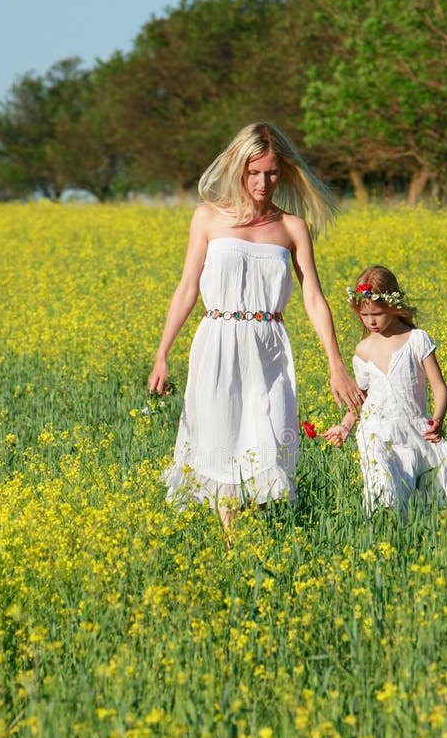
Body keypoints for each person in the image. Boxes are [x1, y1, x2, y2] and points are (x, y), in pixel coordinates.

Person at [148, 122, 364, 528]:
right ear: (237, 169)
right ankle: (234, 547)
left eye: (271, 173)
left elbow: (314, 298)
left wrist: (336, 364)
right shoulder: (207, 218)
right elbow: (186, 289)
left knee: (265, 444)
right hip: (217, 342)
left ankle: (257, 535)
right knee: (220, 443)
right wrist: (162, 355)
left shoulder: (292, 227)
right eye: (253, 172)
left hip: (269, 346)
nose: (263, 182)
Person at [322, 265, 447, 513]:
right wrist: (344, 426)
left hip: (416, 428)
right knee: (385, 499)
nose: (371, 321)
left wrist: (437, 420)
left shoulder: (417, 339)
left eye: (378, 313)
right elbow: (361, 399)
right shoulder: (363, 350)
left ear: (394, 306)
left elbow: (439, 387)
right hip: (377, 434)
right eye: (364, 315)